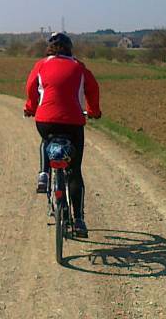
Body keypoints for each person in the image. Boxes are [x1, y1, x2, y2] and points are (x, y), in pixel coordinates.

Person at [23, 32, 101, 237]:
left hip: (45, 120)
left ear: (49, 48)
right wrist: (93, 111)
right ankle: (79, 220)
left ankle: (44, 173)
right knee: (74, 170)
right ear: (70, 48)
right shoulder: (79, 67)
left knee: (46, 140)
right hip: (73, 122)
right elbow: (93, 89)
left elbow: (31, 88)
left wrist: (30, 107)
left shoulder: (41, 65)